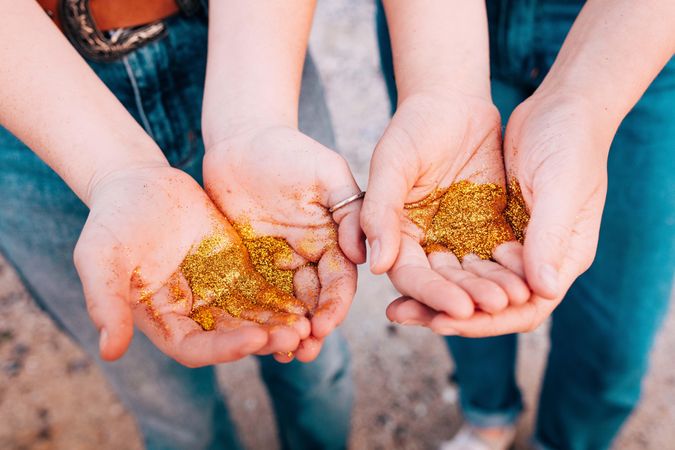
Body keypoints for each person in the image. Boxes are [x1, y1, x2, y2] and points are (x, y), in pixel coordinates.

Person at [0, 1, 361, 449]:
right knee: (169, 406)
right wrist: (116, 171)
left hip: (256, 42)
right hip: (28, 99)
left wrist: (255, 122)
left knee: (313, 348)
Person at [368, 1, 675, 449]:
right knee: (463, 304)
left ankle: (566, 441)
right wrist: (439, 87)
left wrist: (582, 101)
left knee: (614, 336)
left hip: (638, 32)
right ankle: (487, 417)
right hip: (430, 23)